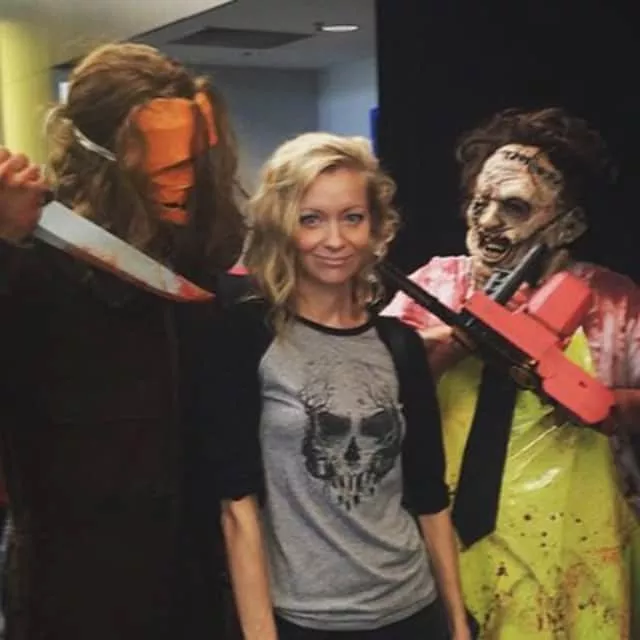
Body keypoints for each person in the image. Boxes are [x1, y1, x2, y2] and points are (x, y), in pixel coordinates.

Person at [0, 42, 247, 639]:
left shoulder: (193, 262)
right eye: (167, 168)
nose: (187, 184)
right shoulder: (34, 268)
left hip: (195, 576)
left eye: (195, 162)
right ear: (104, 157)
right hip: (77, 591)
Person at [197, 132, 473, 640]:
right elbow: (237, 508)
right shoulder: (249, 335)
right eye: (311, 219)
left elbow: (429, 496)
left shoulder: (399, 346)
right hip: (305, 620)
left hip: (413, 611)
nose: (334, 239)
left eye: (352, 217)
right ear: (283, 225)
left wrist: (456, 622)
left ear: (375, 228)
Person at [383, 107, 640, 639]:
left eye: (514, 206)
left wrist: (605, 404)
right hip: (441, 541)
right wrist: (454, 342)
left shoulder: (614, 303)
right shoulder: (433, 284)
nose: (487, 221)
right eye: (480, 203)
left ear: (569, 224)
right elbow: (373, 391)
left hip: (580, 551)